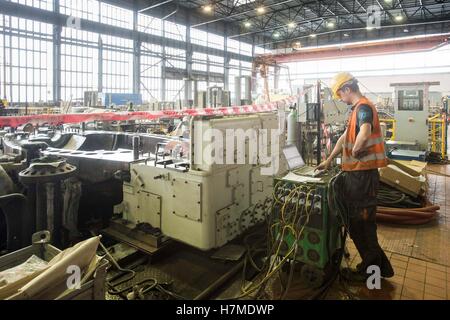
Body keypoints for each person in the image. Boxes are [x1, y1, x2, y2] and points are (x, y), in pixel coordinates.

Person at [316, 72, 394, 281]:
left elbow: (365, 131)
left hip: (363, 178)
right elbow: (344, 137)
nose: (340, 99)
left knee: (363, 226)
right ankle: (380, 269)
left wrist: (357, 149)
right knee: (358, 225)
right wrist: (330, 159)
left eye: (340, 94)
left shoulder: (364, 108)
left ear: (347, 89)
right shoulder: (355, 111)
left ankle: (373, 277)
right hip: (356, 177)